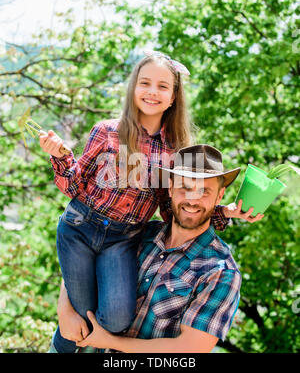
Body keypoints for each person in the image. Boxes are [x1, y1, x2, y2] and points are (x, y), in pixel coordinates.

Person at [42, 51, 263, 354]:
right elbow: (77, 185)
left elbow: (174, 206)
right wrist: (61, 157)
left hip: (121, 237)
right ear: (133, 88)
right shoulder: (107, 132)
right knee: (79, 307)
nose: (152, 92)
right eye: (145, 83)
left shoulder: (173, 153)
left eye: (163, 86)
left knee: (114, 318)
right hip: (82, 224)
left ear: (174, 97)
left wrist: (227, 214)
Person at [56, 144, 253, 353]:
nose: (192, 200)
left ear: (220, 196)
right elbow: (82, 258)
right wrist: (64, 310)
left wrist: (110, 342)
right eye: (184, 187)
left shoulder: (220, 272)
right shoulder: (139, 232)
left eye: (205, 191)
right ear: (170, 188)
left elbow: (188, 349)